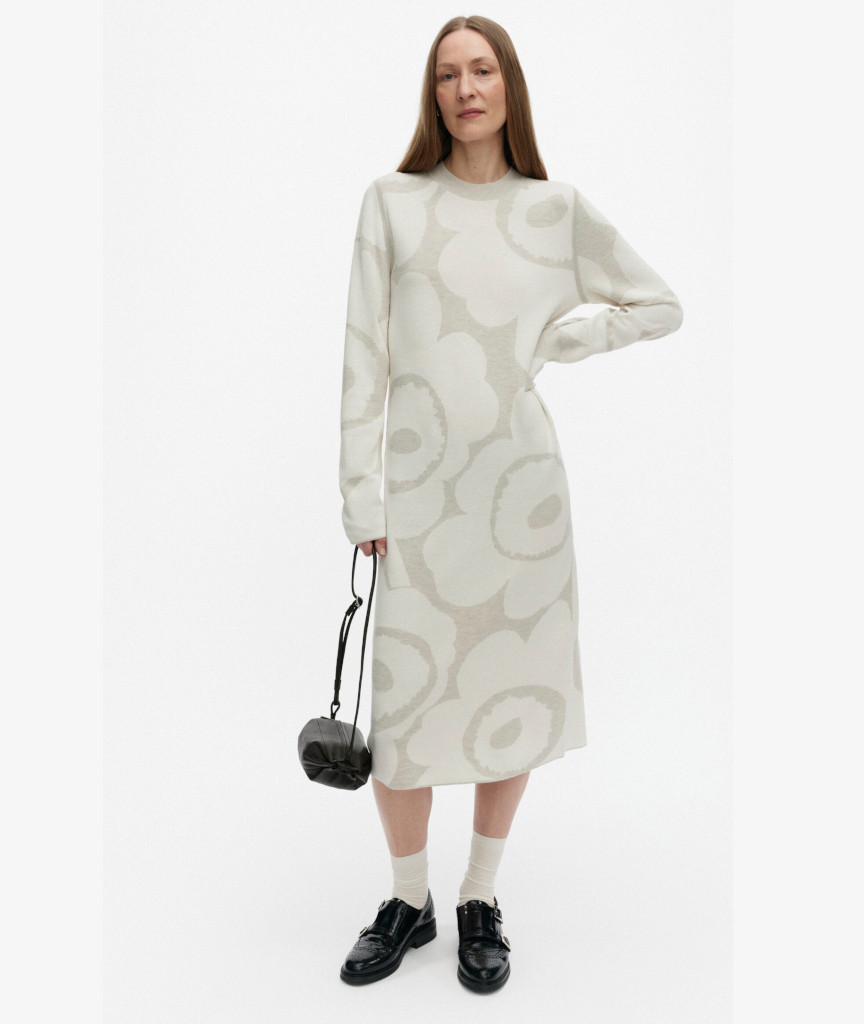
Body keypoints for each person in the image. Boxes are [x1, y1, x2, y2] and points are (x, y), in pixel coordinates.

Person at [336, 15, 684, 992]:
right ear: (433, 94)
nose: (465, 88)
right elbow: (364, 353)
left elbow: (659, 304)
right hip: (418, 501)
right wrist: (361, 495)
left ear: (508, 84)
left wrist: (568, 339)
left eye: (481, 69)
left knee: (507, 694)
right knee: (405, 715)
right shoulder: (392, 202)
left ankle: (479, 897)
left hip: (522, 493)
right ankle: (408, 899)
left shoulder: (553, 209)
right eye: (447, 74)